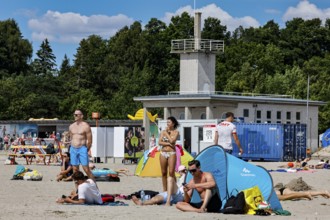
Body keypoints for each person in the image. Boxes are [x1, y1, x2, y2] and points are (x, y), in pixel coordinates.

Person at [69, 109, 95, 181]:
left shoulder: (85, 126)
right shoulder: (71, 126)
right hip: (73, 148)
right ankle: (78, 189)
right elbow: (72, 137)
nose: (75, 116)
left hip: (82, 148)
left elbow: (90, 140)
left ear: (81, 116)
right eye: (74, 114)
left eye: (77, 115)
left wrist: (86, 149)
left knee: (86, 169)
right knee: (75, 170)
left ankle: (95, 187)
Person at [158, 116, 180, 191]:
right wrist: (168, 144)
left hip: (171, 153)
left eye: (169, 122)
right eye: (167, 122)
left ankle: (174, 189)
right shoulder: (163, 132)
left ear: (173, 124)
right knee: (164, 172)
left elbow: (172, 141)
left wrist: (166, 133)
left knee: (171, 172)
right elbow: (160, 142)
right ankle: (165, 190)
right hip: (163, 152)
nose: (167, 124)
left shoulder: (176, 132)